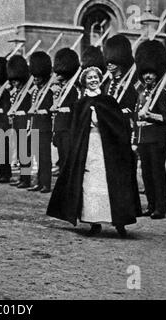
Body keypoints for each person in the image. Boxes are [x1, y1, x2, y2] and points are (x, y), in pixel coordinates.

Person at [47, 66, 140, 237]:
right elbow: (75, 128)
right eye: (89, 78)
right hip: (88, 148)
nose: (93, 80)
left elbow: (118, 126)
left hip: (108, 150)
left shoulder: (109, 101)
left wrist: (100, 121)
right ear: (84, 82)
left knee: (110, 183)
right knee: (90, 184)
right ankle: (94, 222)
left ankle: (119, 222)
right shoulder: (80, 104)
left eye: (95, 77)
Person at [133, 40, 166, 220]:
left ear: (157, 75)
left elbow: (165, 118)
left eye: (151, 73)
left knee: (157, 173)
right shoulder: (142, 94)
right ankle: (151, 205)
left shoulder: (161, 93)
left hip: (156, 138)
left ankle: (160, 208)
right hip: (143, 138)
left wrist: (149, 116)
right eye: (145, 73)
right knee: (146, 174)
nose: (148, 76)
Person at [51, 48, 81, 173]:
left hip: (68, 127)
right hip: (59, 126)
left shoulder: (73, 89)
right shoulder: (61, 88)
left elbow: (74, 109)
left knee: (68, 158)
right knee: (62, 157)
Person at [27, 51, 53, 193]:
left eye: (37, 77)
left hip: (45, 127)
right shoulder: (36, 91)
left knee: (45, 157)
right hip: (36, 126)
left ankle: (46, 184)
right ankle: (39, 182)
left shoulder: (49, 90)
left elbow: (50, 108)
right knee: (38, 157)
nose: (35, 79)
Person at [7, 55, 32, 188]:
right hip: (17, 121)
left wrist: (28, 122)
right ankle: (22, 177)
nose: (14, 82)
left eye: (16, 80)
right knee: (20, 151)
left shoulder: (28, 91)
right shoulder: (17, 91)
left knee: (25, 152)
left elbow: (30, 108)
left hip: (24, 121)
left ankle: (26, 179)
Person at [102, 34, 138, 122]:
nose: (109, 64)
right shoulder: (107, 84)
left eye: (112, 61)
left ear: (120, 60)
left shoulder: (128, 85)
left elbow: (131, 109)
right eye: (108, 62)